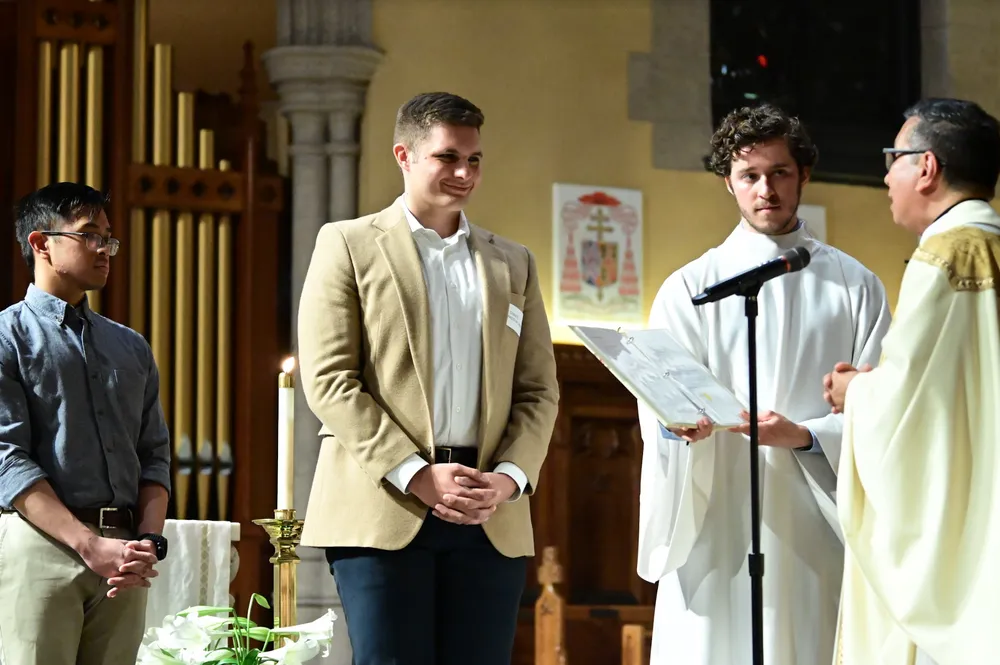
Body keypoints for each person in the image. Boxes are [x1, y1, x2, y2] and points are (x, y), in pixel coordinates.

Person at [296, 91, 559, 665]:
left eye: (475, 159)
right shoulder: (347, 244)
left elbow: (539, 389)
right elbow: (330, 380)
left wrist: (510, 478)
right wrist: (416, 475)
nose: (464, 173)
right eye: (447, 157)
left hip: (489, 510)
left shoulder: (513, 262)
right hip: (384, 505)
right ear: (405, 155)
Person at [636, 103, 892, 665]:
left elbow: (885, 412)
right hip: (717, 516)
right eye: (749, 176)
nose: (766, 190)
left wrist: (806, 435)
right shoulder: (690, 288)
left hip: (815, 523)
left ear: (803, 173)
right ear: (729, 183)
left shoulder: (856, 287)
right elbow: (661, 408)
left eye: (779, 172)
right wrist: (679, 429)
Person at [824, 98, 1000, 665]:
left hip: (963, 518)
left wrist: (857, 394)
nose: (885, 175)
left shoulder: (946, 257)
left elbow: (905, 413)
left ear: (926, 167)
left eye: (893, 158)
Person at [0, 182, 171, 665]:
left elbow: (154, 454)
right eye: (90, 234)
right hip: (42, 548)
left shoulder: (131, 346)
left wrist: (147, 543)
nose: (105, 249)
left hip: (125, 555)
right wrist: (86, 543)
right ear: (41, 243)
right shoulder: (6, 337)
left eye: (109, 238)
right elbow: (6, 458)